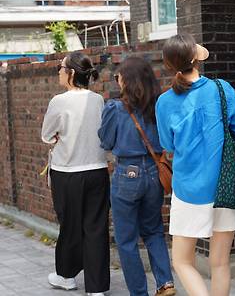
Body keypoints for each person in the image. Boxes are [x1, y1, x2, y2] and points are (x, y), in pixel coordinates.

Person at [156, 34, 235, 296]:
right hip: (225, 186)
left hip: (188, 190)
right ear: (196, 58)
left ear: (169, 64)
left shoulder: (164, 102)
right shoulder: (222, 89)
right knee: (220, 262)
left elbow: (168, 146)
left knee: (182, 261)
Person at [98, 56, 176, 296]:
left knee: (126, 238)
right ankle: (165, 283)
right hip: (154, 171)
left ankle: (139, 293)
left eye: (119, 74)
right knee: (153, 230)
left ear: (127, 80)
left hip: (127, 173)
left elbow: (106, 141)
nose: (117, 78)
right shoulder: (159, 106)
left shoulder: (115, 108)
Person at [41, 52, 109, 296]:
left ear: (70, 73)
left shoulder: (59, 101)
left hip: (67, 172)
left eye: (60, 68)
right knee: (96, 227)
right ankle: (97, 288)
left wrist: (58, 136)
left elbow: (47, 135)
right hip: (97, 171)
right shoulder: (98, 100)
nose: (58, 71)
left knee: (70, 226)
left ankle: (67, 277)